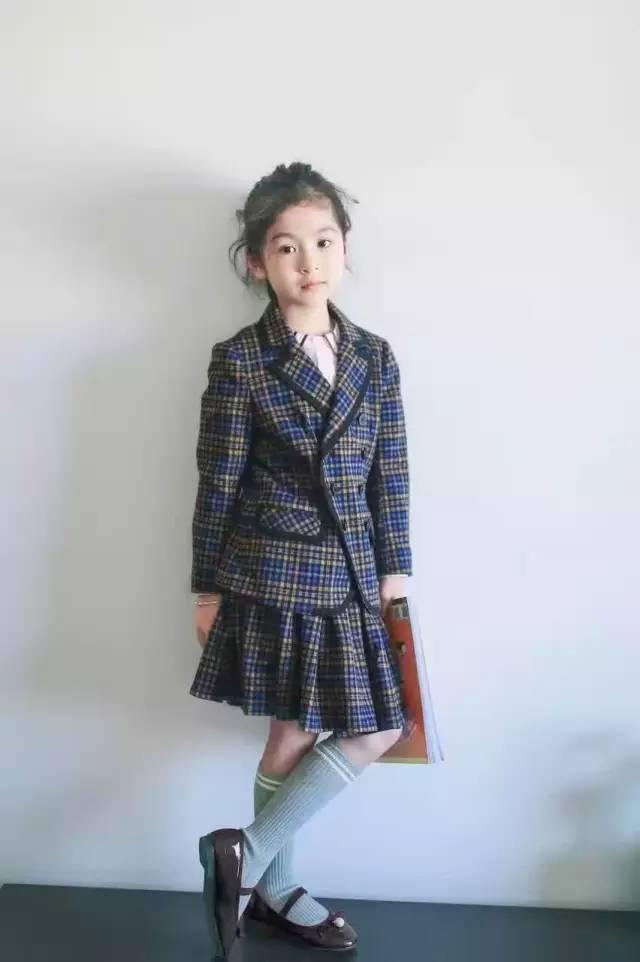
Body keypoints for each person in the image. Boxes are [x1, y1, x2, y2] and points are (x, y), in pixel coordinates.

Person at [190, 161, 413, 958]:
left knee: (379, 727)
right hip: (274, 574)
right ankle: (273, 890)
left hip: (354, 576)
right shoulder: (240, 360)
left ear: (344, 249)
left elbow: (391, 471)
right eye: (286, 247)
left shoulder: (375, 357)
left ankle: (246, 859)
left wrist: (395, 572)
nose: (308, 262)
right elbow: (218, 480)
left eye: (322, 242)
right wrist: (206, 589)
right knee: (292, 734)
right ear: (258, 263)